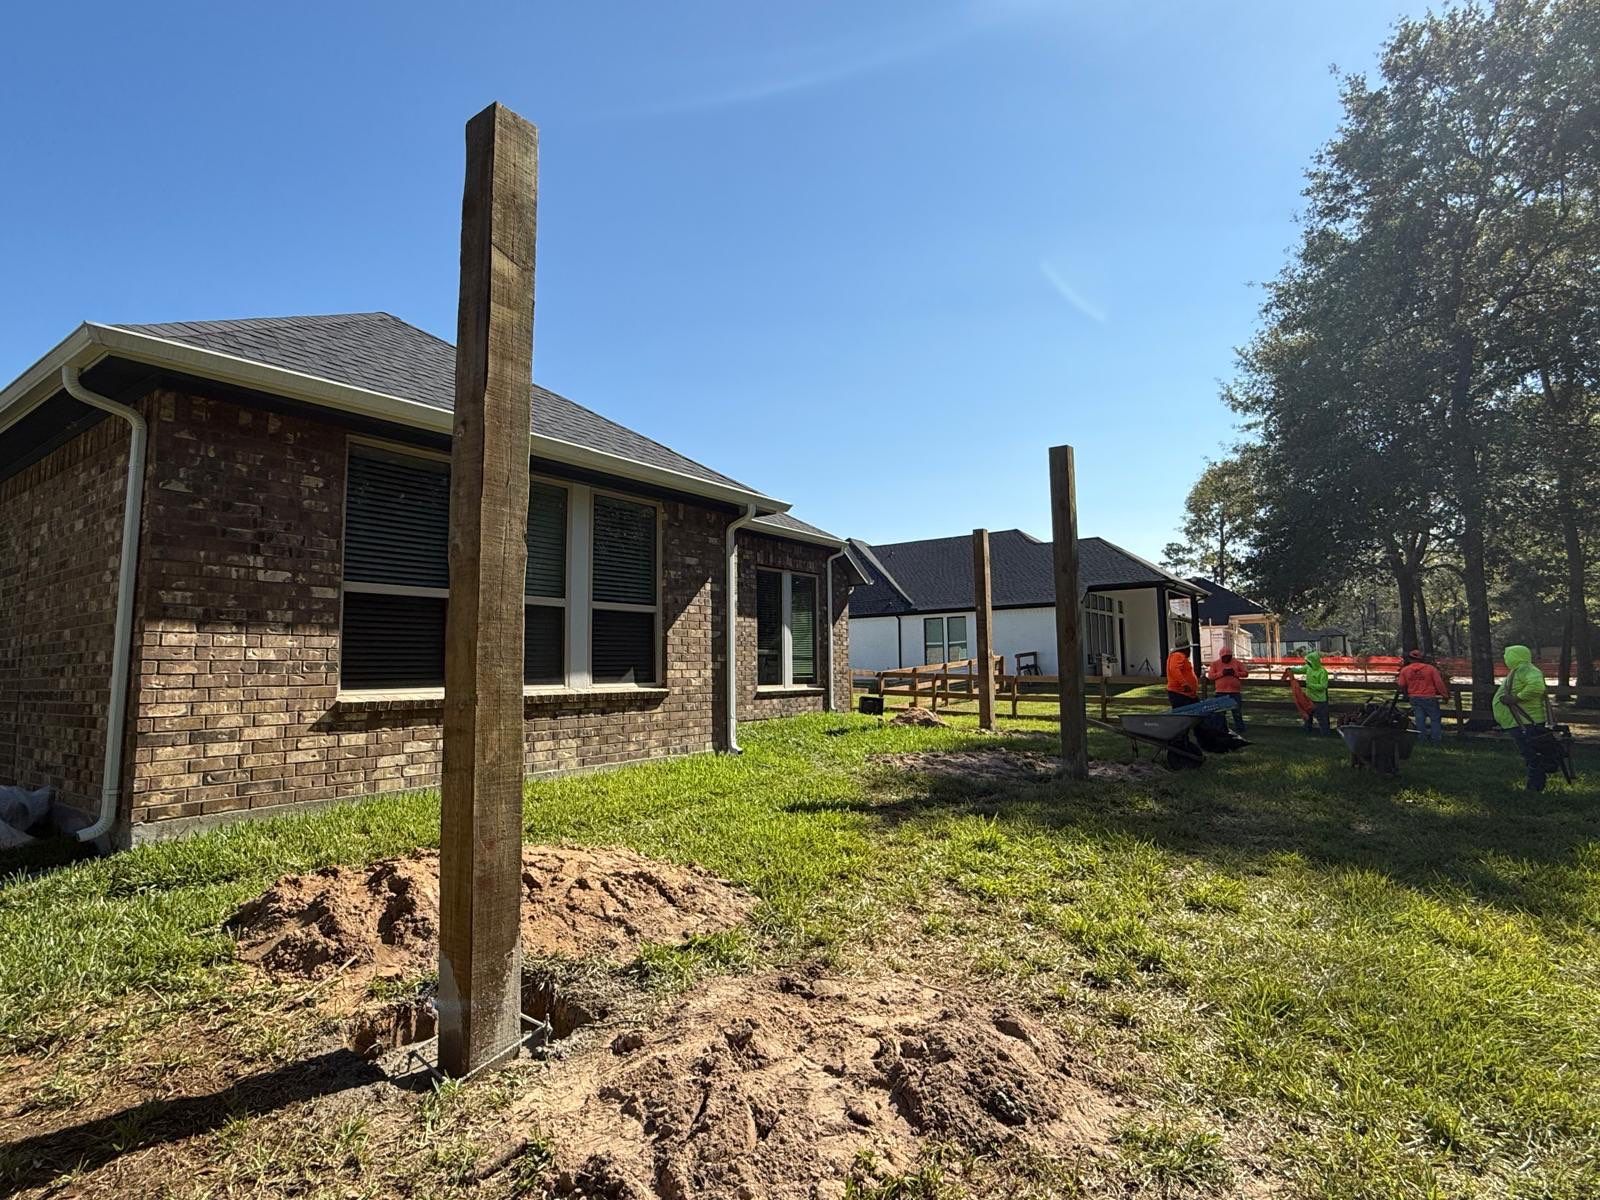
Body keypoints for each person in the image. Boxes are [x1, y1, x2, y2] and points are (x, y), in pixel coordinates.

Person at [1492, 644, 1549, 792]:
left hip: (1526, 722)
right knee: (1530, 753)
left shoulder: (1526, 669)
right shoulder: (1518, 670)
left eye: (1507, 655)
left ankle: (1534, 788)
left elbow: (1537, 687)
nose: (1505, 659)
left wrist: (1516, 698)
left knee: (1532, 754)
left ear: (1515, 656)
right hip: (1519, 721)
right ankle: (1535, 785)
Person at [1396, 649, 1450, 745]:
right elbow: (1439, 683)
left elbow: (1401, 685)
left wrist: (1406, 694)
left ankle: (1421, 739)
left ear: (1410, 659)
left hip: (1414, 697)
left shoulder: (1405, 670)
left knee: (1419, 719)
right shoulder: (1430, 669)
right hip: (1429, 697)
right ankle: (1436, 740)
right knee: (1435, 719)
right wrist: (1445, 695)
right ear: (1422, 659)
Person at [1207, 648, 1250, 732]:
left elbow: (1245, 673)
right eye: (1224, 657)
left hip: (1235, 692)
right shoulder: (1215, 664)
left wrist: (1234, 673)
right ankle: (1221, 729)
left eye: (1228, 657)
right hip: (1221, 692)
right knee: (1220, 712)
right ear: (1221, 656)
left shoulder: (1237, 663)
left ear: (1231, 656)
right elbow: (1210, 676)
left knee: (1237, 712)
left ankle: (1240, 728)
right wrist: (1222, 673)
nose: (1226, 658)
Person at [1290, 649, 1331, 734]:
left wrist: (1310, 685)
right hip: (1309, 698)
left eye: (1309, 662)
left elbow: (1323, 686)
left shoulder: (1322, 672)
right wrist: (1290, 669)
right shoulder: (1308, 668)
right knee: (1308, 716)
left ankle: (1325, 732)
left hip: (1320, 700)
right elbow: (1300, 670)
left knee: (1322, 718)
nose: (1307, 663)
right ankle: (1307, 730)